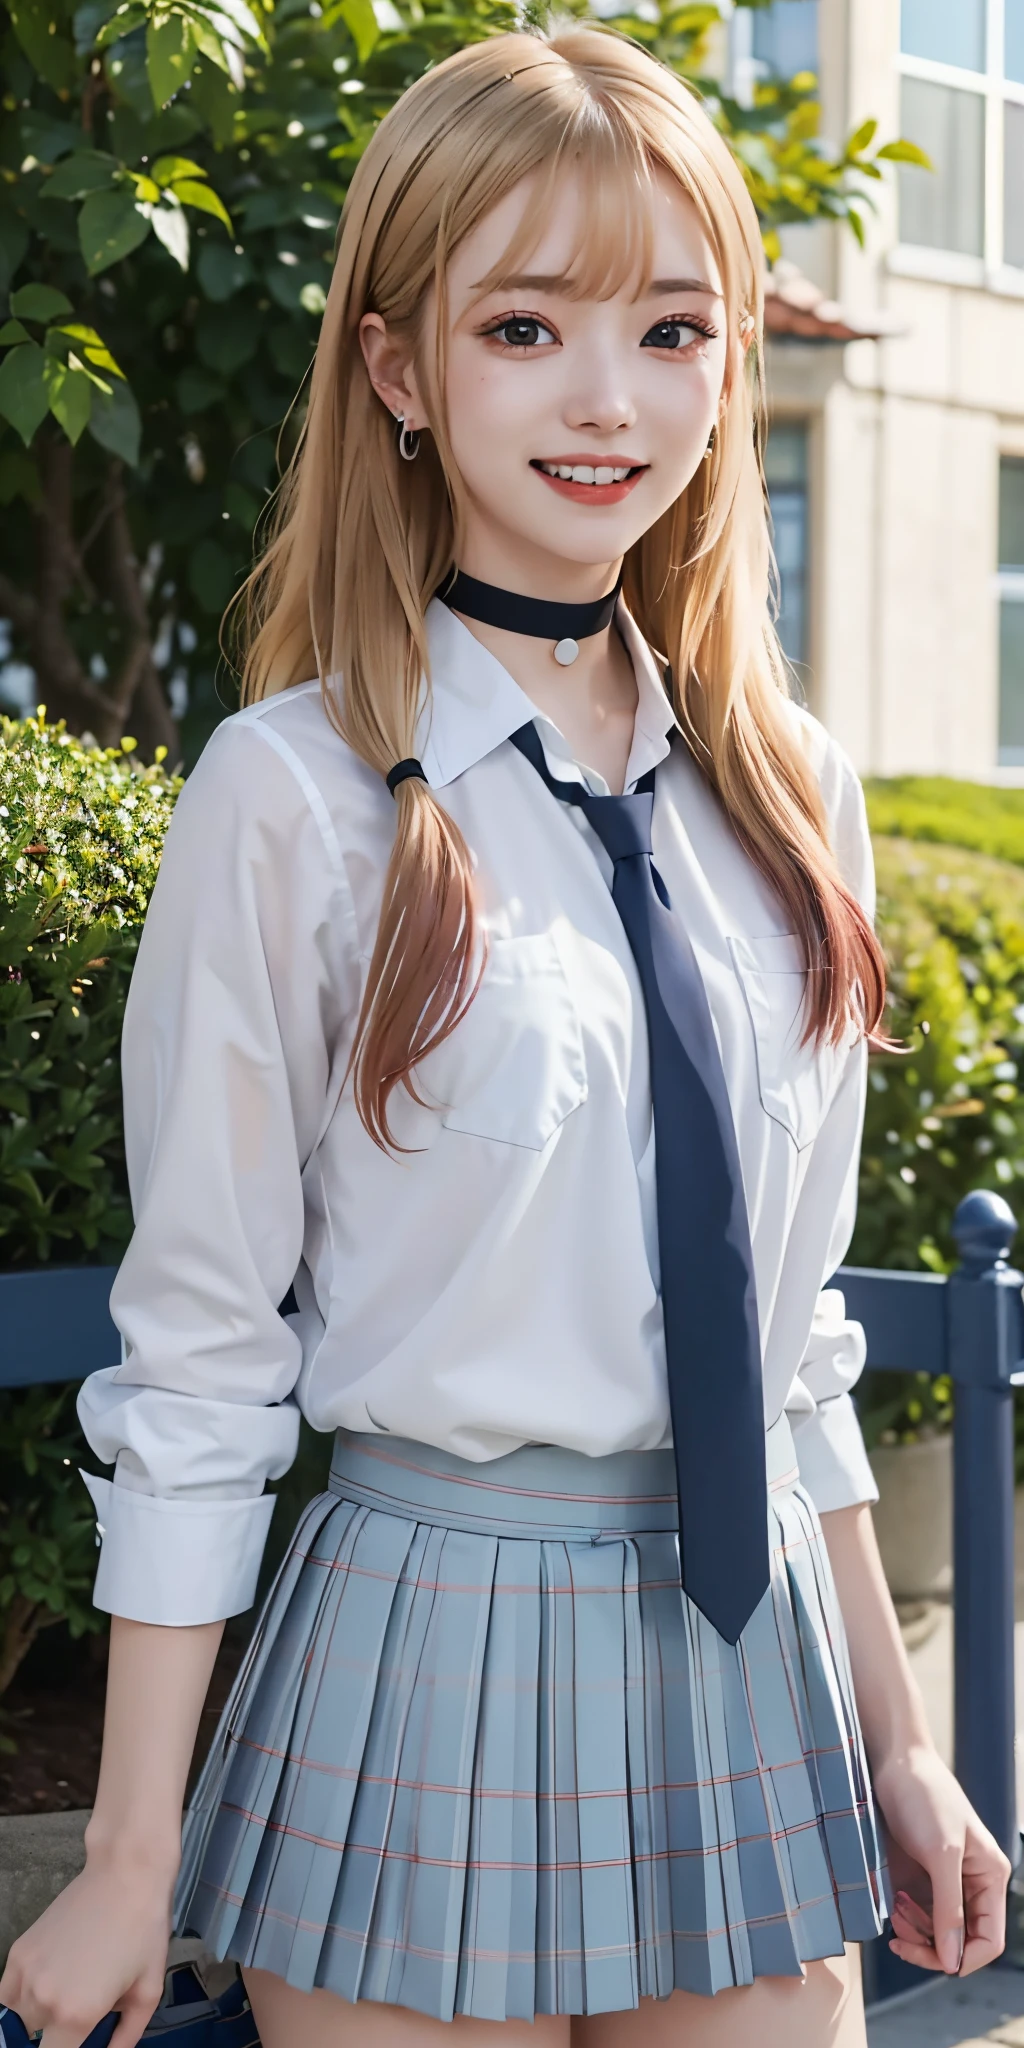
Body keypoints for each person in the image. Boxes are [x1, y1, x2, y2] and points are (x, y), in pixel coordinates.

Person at [0, 28, 1010, 2048]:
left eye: (668, 326)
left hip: (741, 1659)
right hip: (419, 1634)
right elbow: (200, 1352)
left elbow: (786, 1326)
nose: (606, 399)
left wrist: (896, 1746)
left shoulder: (784, 788)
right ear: (396, 368)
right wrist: (127, 1857)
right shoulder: (286, 797)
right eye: (526, 325)